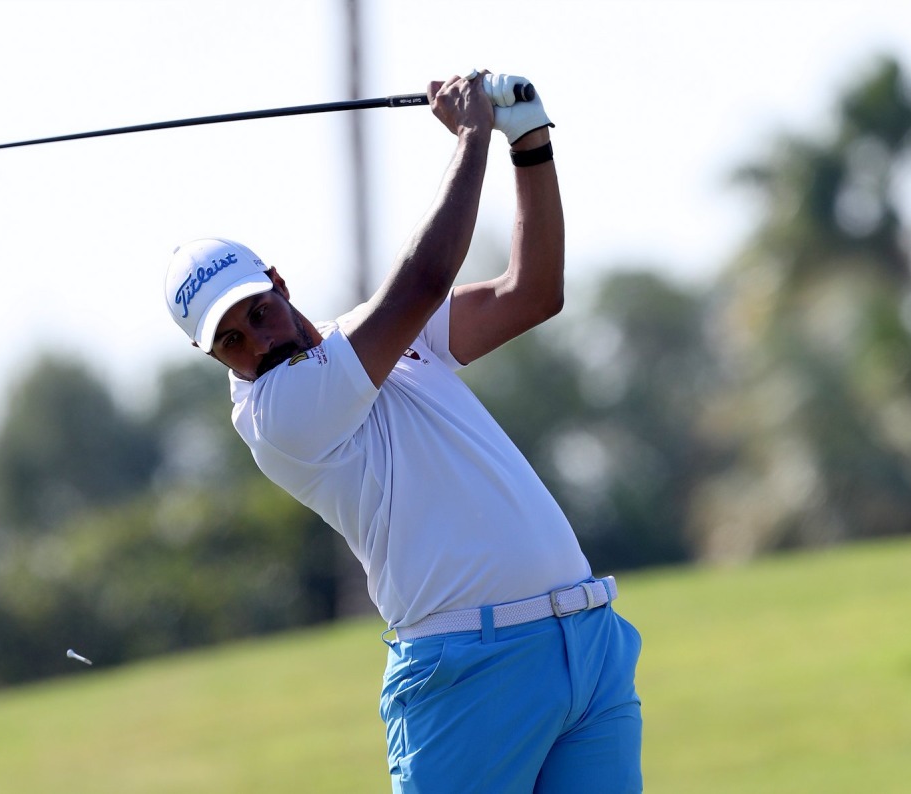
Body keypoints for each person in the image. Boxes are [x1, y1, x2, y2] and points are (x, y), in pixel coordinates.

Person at [163, 70, 643, 793]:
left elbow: (532, 293)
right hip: (466, 673)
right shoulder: (277, 413)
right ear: (212, 358)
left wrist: (530, 145)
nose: (256, 342)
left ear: (278, 282)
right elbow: (421, 281)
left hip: (586, 644)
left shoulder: (372, 339)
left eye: (255, 312)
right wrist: (473, 135)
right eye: (230, 340)